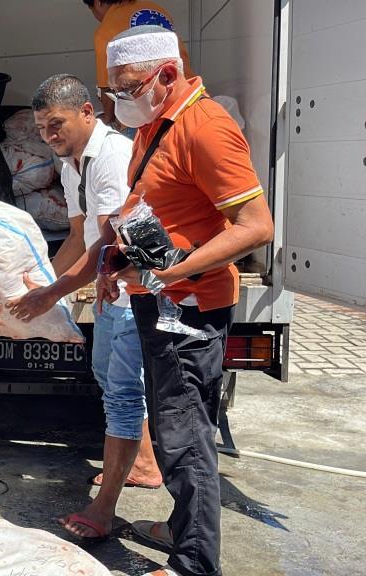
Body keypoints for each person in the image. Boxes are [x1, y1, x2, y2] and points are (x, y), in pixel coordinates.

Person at [98, 26, 274, 576]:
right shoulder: (156, 124)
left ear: (167, 75)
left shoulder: (205, 127)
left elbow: (255, 227)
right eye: (116, 91)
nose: (121, 100)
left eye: (128, 88)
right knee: (175, 425)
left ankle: (194, 563)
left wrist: (175, 267)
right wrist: (118, 262)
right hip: (160, 299)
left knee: (183, 434)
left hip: (188, 309)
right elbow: (158, 209)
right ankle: (182, 526)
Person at [8, 74, 161, 542]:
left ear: (87, 113)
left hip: (137, 285)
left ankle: (104, 508)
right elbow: (80, 237)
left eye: (56, 124)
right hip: (110, 283)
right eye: (42, 128)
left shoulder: (111, 156)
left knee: (120, 391)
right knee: (105, 374)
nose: (49, 135)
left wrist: (52, 295)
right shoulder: (72, 162)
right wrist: (38, 280)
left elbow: (114, 242)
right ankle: (146, 464)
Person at [83, 0, 193, 133]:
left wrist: (108, 119)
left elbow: (106, 87)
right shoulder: (157, 9)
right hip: (188, 92)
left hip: (152, 109)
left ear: (97, 3)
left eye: (92, 10)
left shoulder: (106, 29)